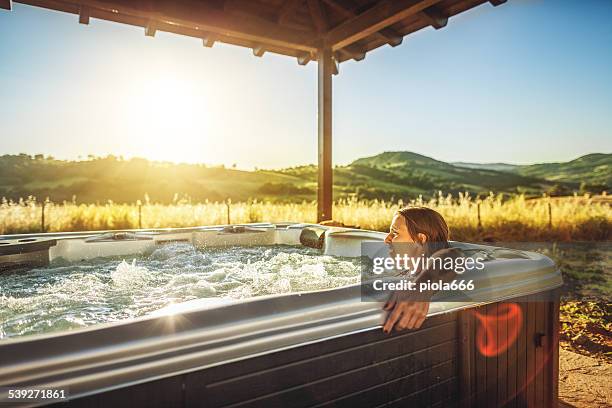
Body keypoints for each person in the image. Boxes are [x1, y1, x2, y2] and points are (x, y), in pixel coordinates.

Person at [382, 206, 464, 333]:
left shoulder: (441, 265)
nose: (387, 239)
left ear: (420, 239)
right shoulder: (409, 271)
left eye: (395, 233)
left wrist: (421, 286)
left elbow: (453, 255)